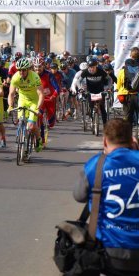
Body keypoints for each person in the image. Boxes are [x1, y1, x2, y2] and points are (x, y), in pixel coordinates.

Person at [74, 118, 139, 276]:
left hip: (108, 249)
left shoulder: (97, 165)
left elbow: (79, 196)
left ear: (104, 141)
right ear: (132, 140)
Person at [7, 58, 44, 152]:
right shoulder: (15, 77)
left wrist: (38, 108)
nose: (21, 72)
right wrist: (10, 106)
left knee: (31, 125)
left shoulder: (35, 77)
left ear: (28, 69)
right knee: (21, 120)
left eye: (24, 70)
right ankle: (23, 139)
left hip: (34, 101)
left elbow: (41, 94)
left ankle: (39, 139)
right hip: (22, 99)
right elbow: (11, 94)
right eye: (19, 70)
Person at [116, 47, 139, 126]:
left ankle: (128, 134)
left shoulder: (123, 70)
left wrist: (118, 89)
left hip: (128, 95)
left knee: (128, 115)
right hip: (138, 94)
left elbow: (119, 83)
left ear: (130, 55)